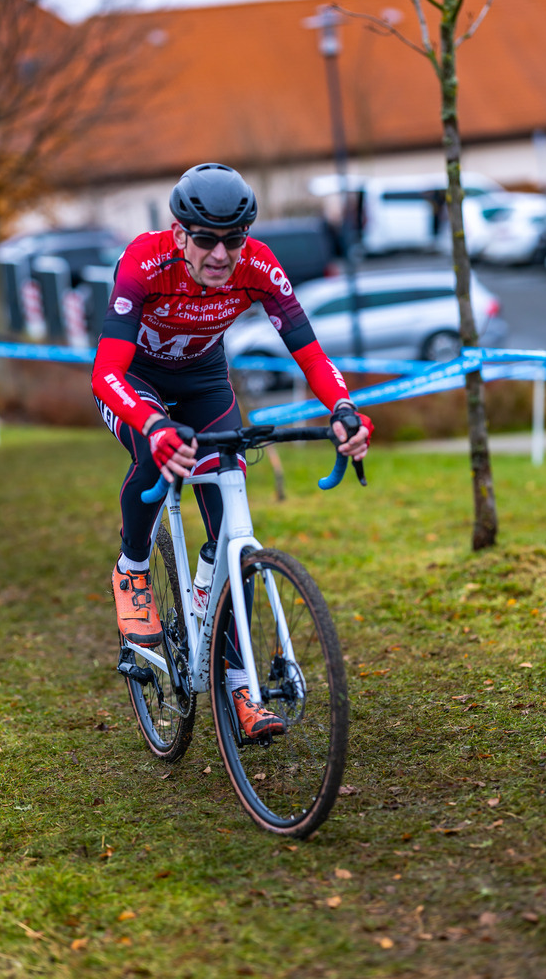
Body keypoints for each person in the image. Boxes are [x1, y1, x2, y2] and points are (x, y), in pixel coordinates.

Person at [91, 162, 373, 738]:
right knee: (157, 453)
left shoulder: (260, 266)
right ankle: (133, 568)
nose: (221, 255)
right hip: (136, 380)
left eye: (234, 240)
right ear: (178, 235)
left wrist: (343, 410)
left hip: (203, 381)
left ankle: (240, 684)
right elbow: (106, 372)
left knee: (231, 533)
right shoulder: (144, 262)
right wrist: (153, 424)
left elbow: (311, 355)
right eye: (206, 241)